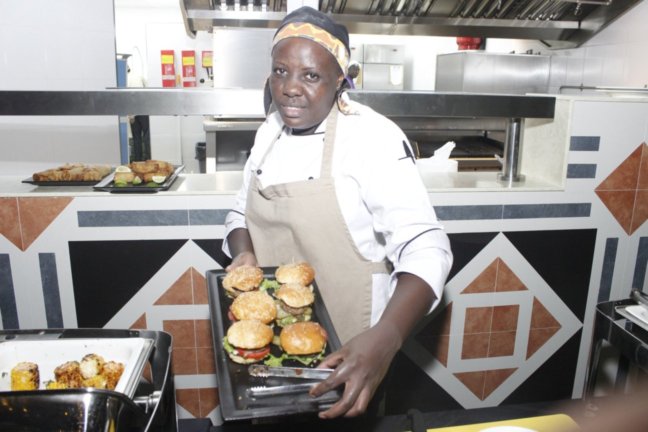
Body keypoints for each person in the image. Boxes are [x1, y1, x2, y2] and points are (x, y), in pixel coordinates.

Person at [223, 6, 452, 419]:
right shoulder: (269, 130)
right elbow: (240, 214)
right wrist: (244, 256)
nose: (290, 88)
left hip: (349, 355)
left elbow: (427, 248)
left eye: (311, 75)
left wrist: (384, 339)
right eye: (280, 71)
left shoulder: (370, 137)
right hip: (271, 348)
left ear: (341, 80)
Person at [127, 59, 150, 162]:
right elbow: (147, 88)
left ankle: (138, 161)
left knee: (136, 139)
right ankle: (149, 159)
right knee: (146, 136)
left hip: (133, 113)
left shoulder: (124, 79)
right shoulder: (138, 75)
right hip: (144, 109)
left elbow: (128, 99)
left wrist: (131, 116)